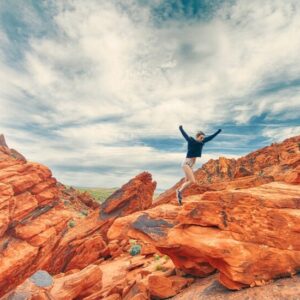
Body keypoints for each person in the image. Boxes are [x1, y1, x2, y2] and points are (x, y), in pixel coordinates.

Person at [176, 125, 222, 205]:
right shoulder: (191, 141)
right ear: (197, 137)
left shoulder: (202, 142)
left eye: (203, 138)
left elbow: (211, 137)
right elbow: (185, 135)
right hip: (186, 163)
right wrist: (181, 129)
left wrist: (218, 132)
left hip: (192, 165)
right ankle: (179, 192)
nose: (202, 139)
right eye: (201, 137)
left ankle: (179, 192)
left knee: (186, 181)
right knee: (192, 181)